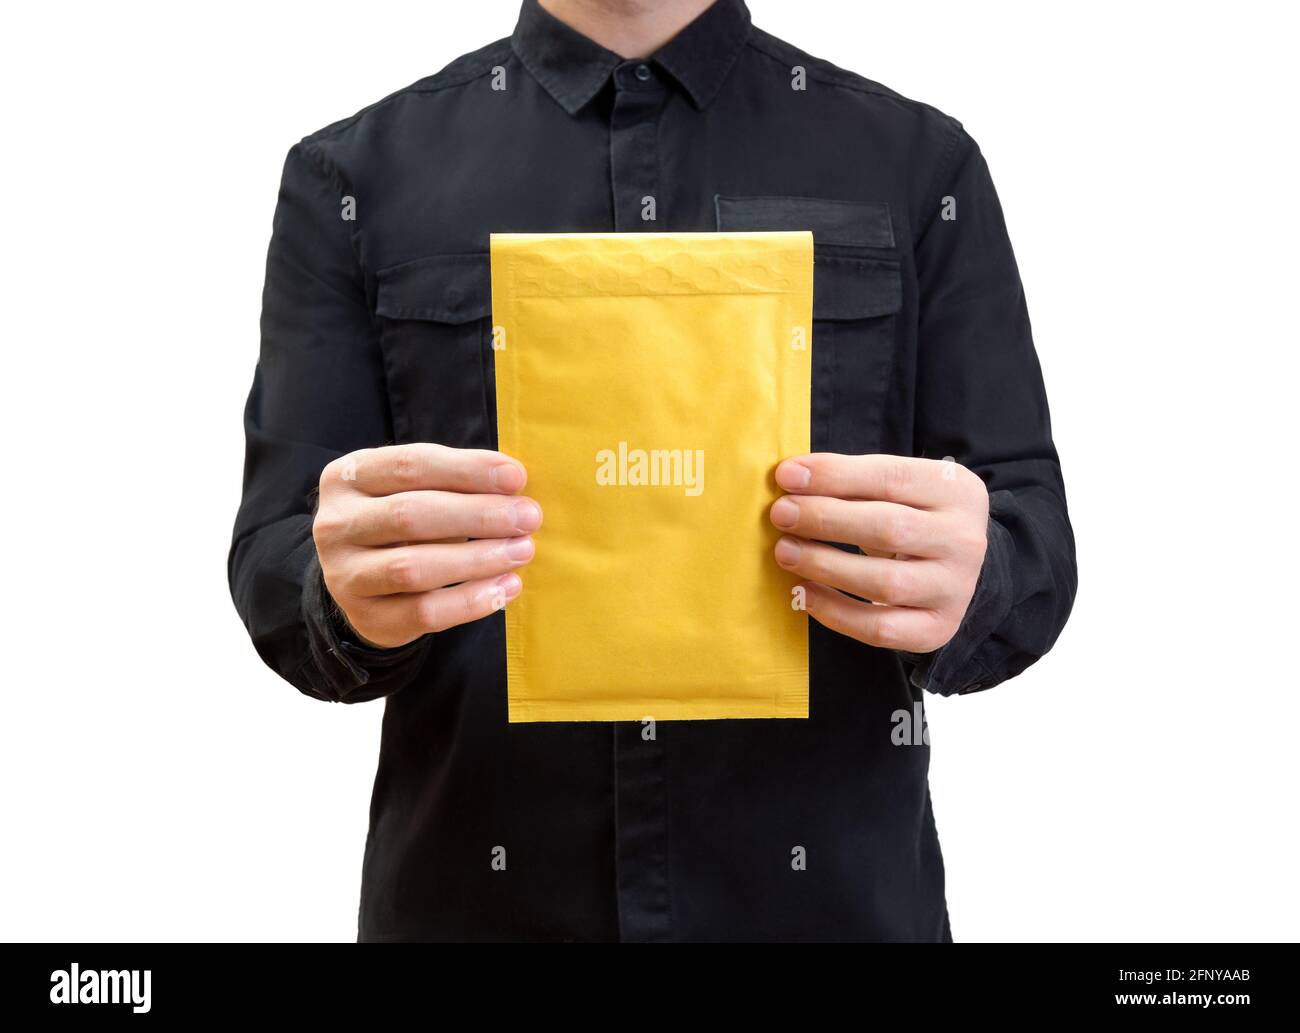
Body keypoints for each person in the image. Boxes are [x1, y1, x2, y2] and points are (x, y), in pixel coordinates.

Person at [229, 0, 1076, 942]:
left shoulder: (920, 167)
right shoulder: (350, 178)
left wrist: (979, 578)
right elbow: (276, 564)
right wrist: (338, 593)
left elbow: (1031, 540)